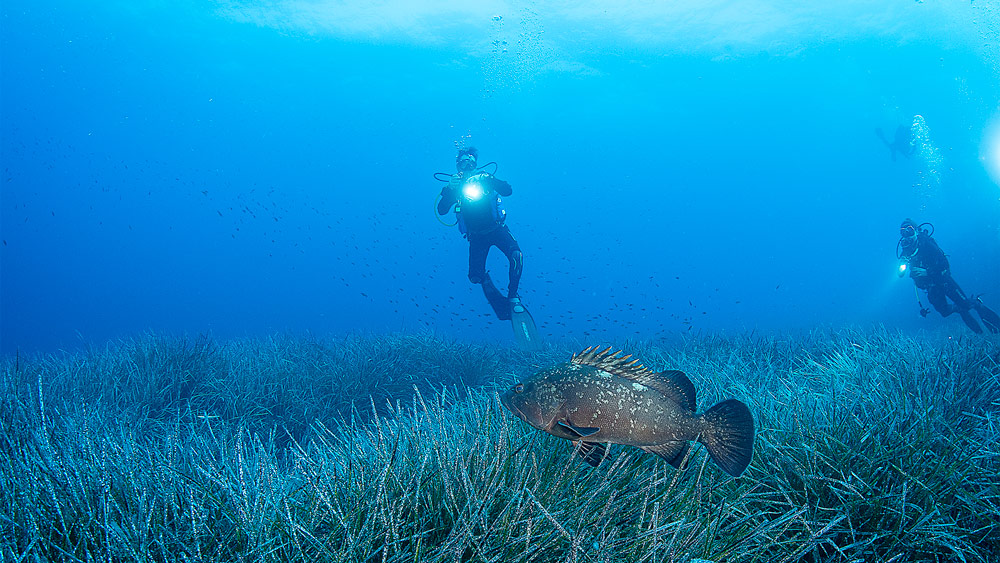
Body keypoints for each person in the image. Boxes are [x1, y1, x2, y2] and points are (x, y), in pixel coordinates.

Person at [437, 147, 523, 320]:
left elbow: (508, 191)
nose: (467, 167)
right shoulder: (456, 187)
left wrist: (490, 179)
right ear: (458, 166)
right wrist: (449, 189)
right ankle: (499, 304)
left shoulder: (485, 179)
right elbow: (441, 210)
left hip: (497, 229)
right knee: (475, 277)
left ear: (476, 165)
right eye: (463, 163)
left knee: (516, 255)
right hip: (476, 237)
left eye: (471, 163)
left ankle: (513, 297)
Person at [897, 218, 999, 334]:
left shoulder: (927, 244)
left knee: (966, 304)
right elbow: (900, 274)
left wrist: (927, 272)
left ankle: (977, 306)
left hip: (944, 281)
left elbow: (944, 264)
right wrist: (902, 265)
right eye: (903, 231)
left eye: (909, 230)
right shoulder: (906, 250)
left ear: (916, 231)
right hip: (931, 287)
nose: (907, 234)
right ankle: (959, 309)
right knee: (944, 312)